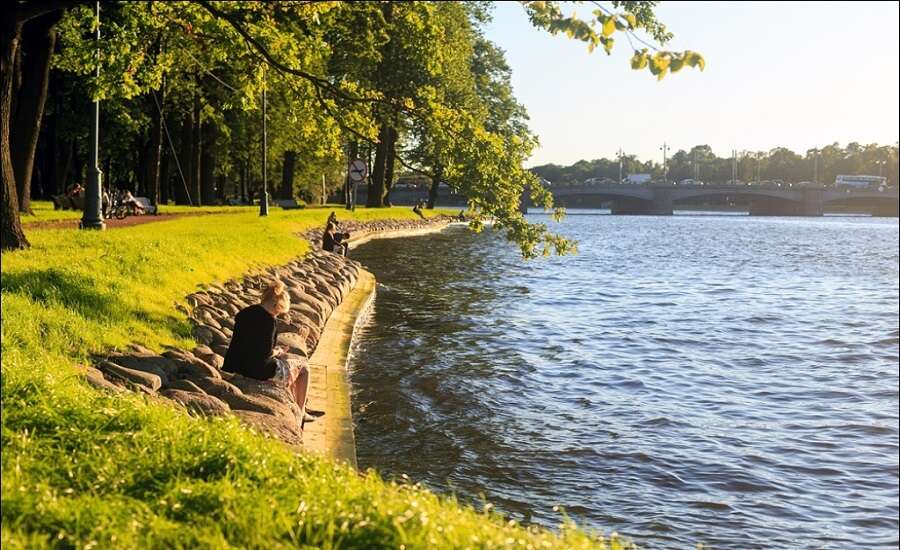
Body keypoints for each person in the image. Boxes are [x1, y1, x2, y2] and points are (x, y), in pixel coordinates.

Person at [222, 280, 317, 422]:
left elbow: (250, 345)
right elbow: (265, 354)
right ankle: (301, 412)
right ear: (275, 305)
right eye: (279, 311)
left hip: (234, 365)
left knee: (288, 360)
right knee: (304, 367)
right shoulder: (268, 322)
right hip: (257, 371)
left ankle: (296, 403)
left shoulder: (245, 313)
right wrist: (278, 351)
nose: (278, 315)